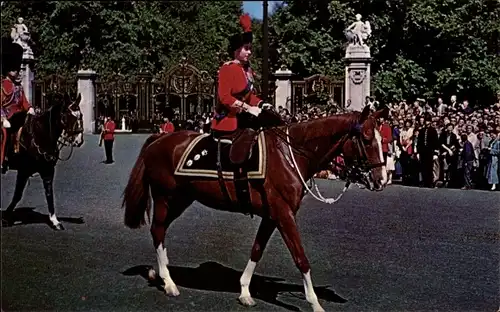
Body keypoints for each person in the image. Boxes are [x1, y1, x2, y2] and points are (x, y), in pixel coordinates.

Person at [211, 13, 275, 164]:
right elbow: (225, 98)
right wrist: (247, 108)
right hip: (228, 121)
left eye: (250, 48)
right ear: (236, 50)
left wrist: (260, 104)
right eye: (246, 49)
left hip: (243, 119)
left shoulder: (247, 70)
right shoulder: (228, 68)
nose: (249, 52)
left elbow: (249, 95)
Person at [1, 37, 36, 173]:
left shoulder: (18, 87)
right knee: (4, 133)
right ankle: (2, 160)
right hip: (6, 118)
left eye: (17, 69)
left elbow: (24, 102)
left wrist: (30, 108)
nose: (16, 71)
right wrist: (3, 118)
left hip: (19, 116)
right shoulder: (2, 85)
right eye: (14, 69)